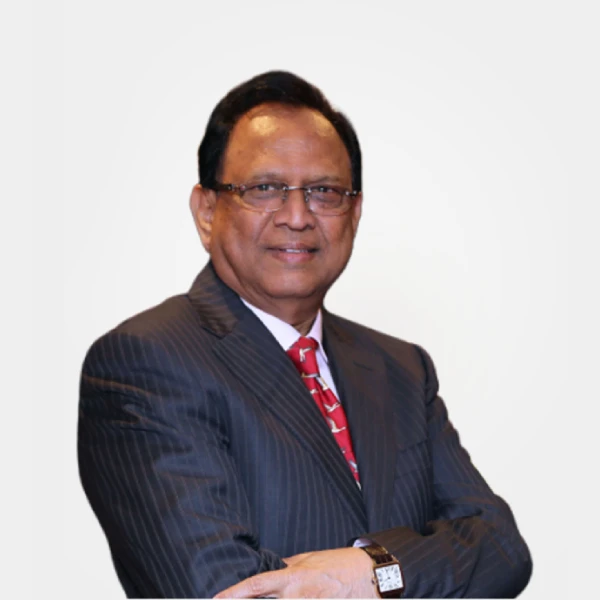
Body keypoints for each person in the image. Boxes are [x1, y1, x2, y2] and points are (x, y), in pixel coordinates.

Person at [78, 71, 532, 598]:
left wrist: (371, 571)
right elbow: (230, 590)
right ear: (207, 211)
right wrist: (421, 566)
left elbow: (502, 551)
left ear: (354, 213)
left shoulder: (402, 369)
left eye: (324, 192)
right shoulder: (145, 363)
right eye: (264, 189)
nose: (297, 217)